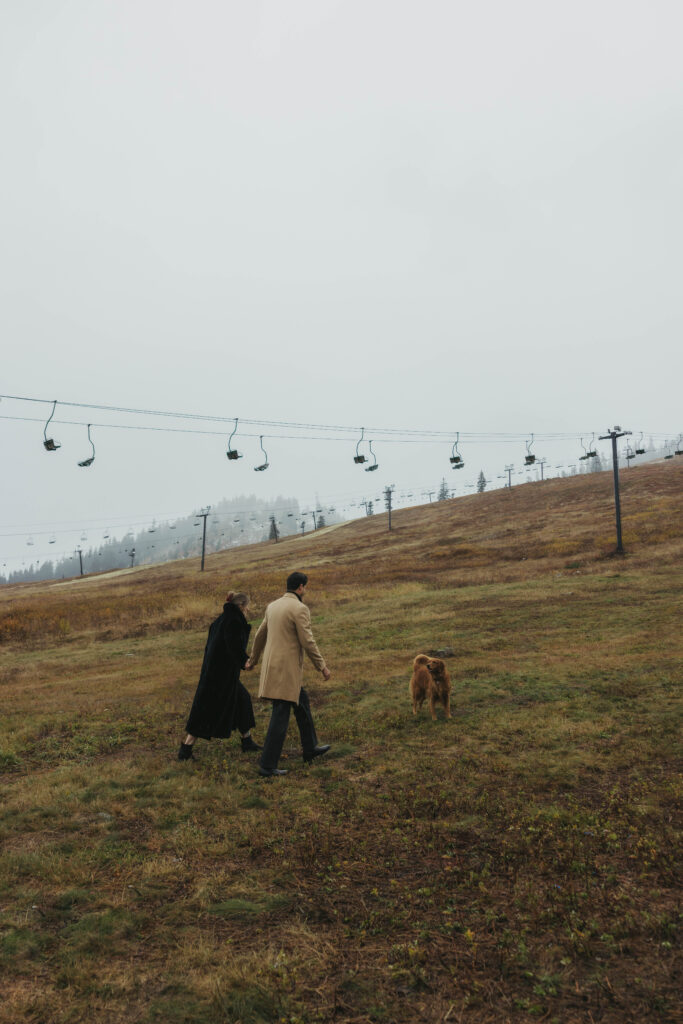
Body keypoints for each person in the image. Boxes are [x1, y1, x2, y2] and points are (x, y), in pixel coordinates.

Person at [248, 571, 331, 777]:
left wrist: (254, 659)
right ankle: (267, 765)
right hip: (286, 671)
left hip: (274, 668)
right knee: (281, 714)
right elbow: (307, 641)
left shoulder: (273, 606)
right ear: (300, 587)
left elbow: (259, 635)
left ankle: (310, 749)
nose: (306, 591)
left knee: (301, 703)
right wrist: (322, 666)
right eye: (305, 587)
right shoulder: (299, 608)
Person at [178, 591, 261, 760]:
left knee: (242, 700)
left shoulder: (221, 620)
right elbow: (233, 646)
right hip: (219, 677)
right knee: (204, 711)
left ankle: (247, 741)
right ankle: (185, 750)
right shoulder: (233, 621)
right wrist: (245, 661)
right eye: (247, 606)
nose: (248, 609)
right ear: (241, 606)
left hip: (216, 673)